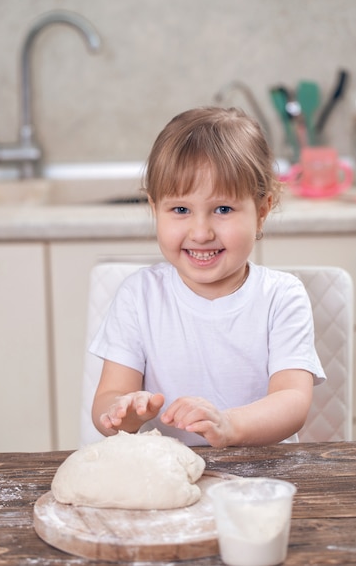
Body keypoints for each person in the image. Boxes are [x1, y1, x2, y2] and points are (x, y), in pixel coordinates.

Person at [90, 106, 326, 447]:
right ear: (155, 210)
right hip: (170, 481)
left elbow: (292, 401)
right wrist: (121, 410)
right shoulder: (139, 296)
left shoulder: (282, 296)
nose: (200, 233)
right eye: (181, 210)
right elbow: (109, 396)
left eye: (223, 209)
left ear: (261, 212)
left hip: (259, 484)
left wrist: (229, 425)